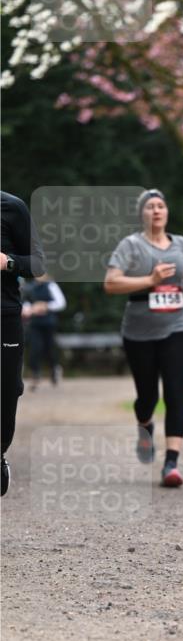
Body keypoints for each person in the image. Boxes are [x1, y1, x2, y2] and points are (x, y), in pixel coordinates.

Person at [104, 189, 183, 487]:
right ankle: (144, 426)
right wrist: (150, 280)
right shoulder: (131, 245)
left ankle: (171, 464)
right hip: (139, 331)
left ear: (167, 212)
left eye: (161, 206)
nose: (157, 211)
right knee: (147, 396)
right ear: (142, 214)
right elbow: (111, 283)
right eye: (150, 207)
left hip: (178, 326)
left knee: (175, 393)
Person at [1, 190, 45, 497]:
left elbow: (38, 264)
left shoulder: (11, 207)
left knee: (7, 388)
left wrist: (9, 263)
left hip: (4, 315)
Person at [22, 275, 67, 390]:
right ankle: (35, 376)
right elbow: (25, 303)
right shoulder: (29, 287)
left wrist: (46, 306)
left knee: (50, 349)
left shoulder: (51, 285)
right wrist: (31, 309)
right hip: (34, 324)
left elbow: (61, 303)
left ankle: (54, 370)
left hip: (49, 323)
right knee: (34, 349)